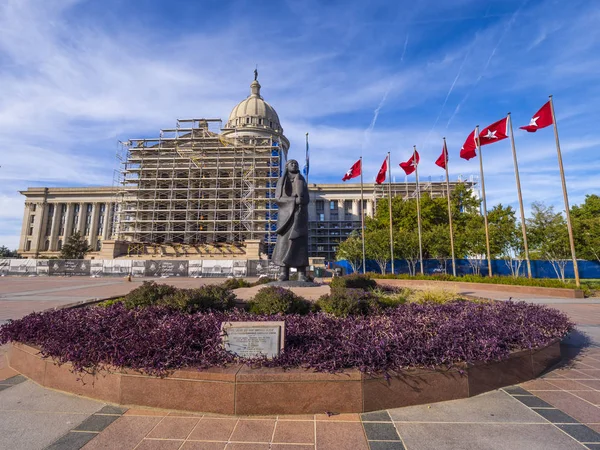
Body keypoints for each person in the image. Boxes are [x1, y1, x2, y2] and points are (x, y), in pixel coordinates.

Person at [272, 159, 310, 281]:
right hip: (286, 218)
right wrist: (294, 201)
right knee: (284, 243)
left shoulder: (302, 179)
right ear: (287, 166)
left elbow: (307, 198)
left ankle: (301, 273)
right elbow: (278, 199)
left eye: (296, 164)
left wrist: (301, 201)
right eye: (291, 163)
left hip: (299, 216)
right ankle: (284, 272)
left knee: (300, 243)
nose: (294, 165)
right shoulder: (281, 181)